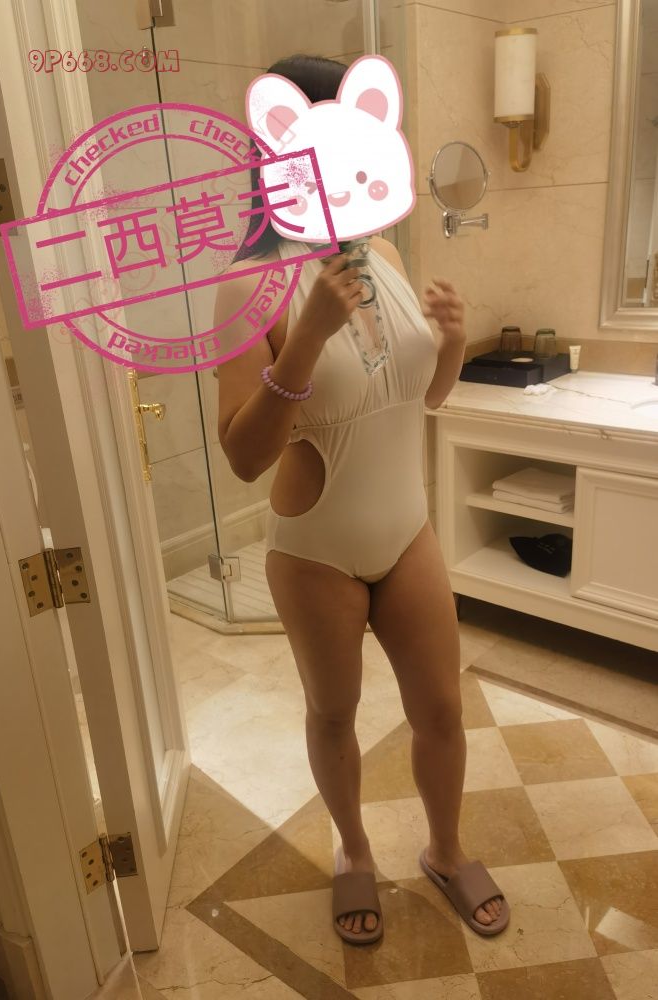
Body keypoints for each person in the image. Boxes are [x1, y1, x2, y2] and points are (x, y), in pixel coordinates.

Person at [216, 53, 509, 946]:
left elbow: (424, 399)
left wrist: (450, 343)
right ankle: (351, 849)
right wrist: (304, 338)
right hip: (316, 549)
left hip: (406, 529)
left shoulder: (383, 250)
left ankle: (446, 849)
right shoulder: (246, 284)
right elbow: (243, 457)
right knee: (334, 714)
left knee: (441, 710)